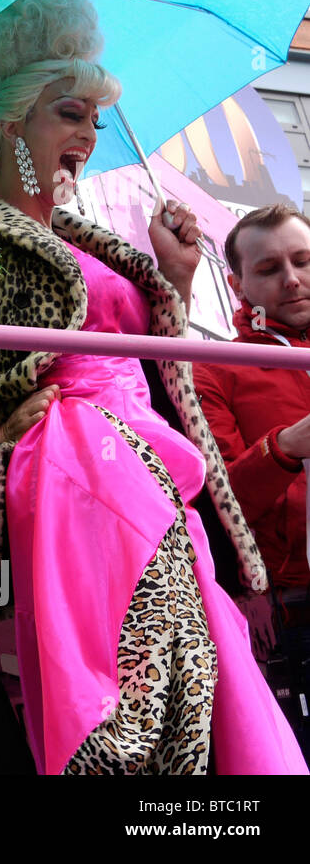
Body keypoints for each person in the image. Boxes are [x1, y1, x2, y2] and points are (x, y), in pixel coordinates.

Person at [0, 0, 305, 774]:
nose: (89, 135)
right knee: (123, 716)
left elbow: (153, 371)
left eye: (96, 119)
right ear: (12, 121)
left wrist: (172, 280)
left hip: (154, 477)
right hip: (69, 484)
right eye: (69, 114)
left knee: (197, 699)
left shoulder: (97, 238)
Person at [193, 203, 310, 756]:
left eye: (304, 261)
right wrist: (286, 447)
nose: (292, 279)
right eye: (269, 269)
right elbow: (220, 505)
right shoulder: (211, 368)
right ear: (238, 284)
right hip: (293, 614)